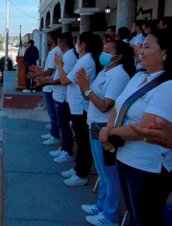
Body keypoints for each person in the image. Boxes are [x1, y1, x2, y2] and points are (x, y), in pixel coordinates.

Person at [99, 28, 172, 226]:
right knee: (134, 213)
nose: (140, 50)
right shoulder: (139, 77)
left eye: (147, 46)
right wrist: (108, 131)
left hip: (147, 166)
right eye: (141, 46)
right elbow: (118, 105)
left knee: (145, 218)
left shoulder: (168, 86)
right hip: (125, 158)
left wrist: (109, 133)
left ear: (165, 53)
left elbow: (144, 127)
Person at [76, 40, 135, 225]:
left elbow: (105, 105)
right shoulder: (105, 71)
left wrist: (86, 87)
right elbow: (90, 94)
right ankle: (101, 205)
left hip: (105, 127)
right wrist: (83, 85)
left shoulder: (119, 76)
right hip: (94, 124)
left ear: (118, 56)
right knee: (102, 171)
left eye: (108, 51)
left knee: (110, 174)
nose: (103, 53)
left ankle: (110, 214)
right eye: (103, 49)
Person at [56, 31, 102, 187]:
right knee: (80, 140)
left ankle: (82, 173)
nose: (76, 44)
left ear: (83, 45)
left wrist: (59, 66)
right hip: (76, 105)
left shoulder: (86, 61)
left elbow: (64, 80)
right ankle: (78, 169)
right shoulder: (83, 59)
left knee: (83, 143)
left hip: (81, 106)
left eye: (78, 41)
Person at [45, 32, 77, 164]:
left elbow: (64, 79)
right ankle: (63, 147)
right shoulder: (66, 55)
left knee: (64, 125)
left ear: (62, 43)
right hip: (60, 95)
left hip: (63, 96)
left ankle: (67, 150)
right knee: (62, 124)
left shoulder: (69, 56)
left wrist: (47, 81)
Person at [32, 31, 61, 145]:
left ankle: (55, 135)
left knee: (53, 113)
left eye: (49, 38)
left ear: (52, 40)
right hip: (48, 85)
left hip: (50, 86)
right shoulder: (53, 51)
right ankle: (52, 132)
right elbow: (48, 68)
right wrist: (38, 70)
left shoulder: (55, 51)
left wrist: (36, 75)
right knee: (51, 113)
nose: (47, 40)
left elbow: (49, 71)